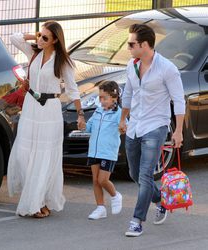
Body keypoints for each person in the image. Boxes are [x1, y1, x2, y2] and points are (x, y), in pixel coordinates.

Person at [7, 20, 86, 218]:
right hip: (31, 108)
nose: (41, 40)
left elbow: (73, 90)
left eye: (45, 37)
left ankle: (40, 201)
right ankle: (33, 196)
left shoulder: (63, 61)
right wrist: (35, 37)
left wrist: (80, 115)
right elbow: (14, 37)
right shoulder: (34, 51)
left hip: (50, 110)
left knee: (45, 157)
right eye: (40, 35)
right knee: (24, 155)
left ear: (56, 40)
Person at [119, 24, 185, 236]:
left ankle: (137, 220)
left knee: (146, 174)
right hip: (134, 126)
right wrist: (122, 119)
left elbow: (179, 101)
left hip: (156, 126)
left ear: (144, 45)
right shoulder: (132, 65)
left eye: (131, 44)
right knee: (134, 173)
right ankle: (161, 200)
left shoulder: (167, 69)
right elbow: (128, 93)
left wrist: (178, 132)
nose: (128, 47)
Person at [85, 80, 123, 220]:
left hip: (108, 152)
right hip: (94, 150)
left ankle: (115, 195)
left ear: (114, 98)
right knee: (95, 180)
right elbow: (88, 127)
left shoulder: (119, 114)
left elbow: (125, 127)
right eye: (100, 97)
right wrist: (83, 124)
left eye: (104, 98)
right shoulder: (98, 111)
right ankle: (100, 208)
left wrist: (123, 128)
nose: (101, 101)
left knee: (102, 180)